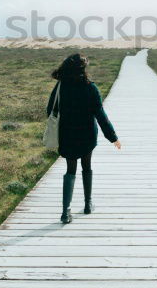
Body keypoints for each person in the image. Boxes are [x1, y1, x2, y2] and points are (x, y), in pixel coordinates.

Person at [46, 53, 121, 223]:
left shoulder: (61, 87)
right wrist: (113, 137)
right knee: (86, 166)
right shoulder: (90, 87)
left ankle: (65, 212)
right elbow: (101, 115)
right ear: (83, 69)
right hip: (87, 135)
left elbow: (50, 110)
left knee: (70, 170)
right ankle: (88, 205)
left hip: (67, 135)